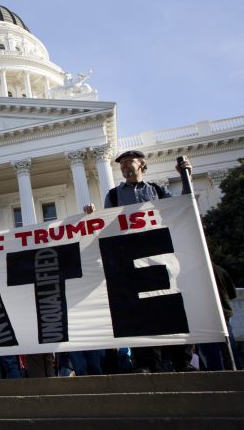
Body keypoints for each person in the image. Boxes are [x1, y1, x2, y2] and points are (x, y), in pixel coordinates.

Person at [84, 150, 195, 373]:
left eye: (129, 162)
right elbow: (108, 226)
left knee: (171, 309)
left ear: (141, 164)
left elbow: (181, 208)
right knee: (139, 313)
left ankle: (182, 362)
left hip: (160, 254)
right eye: (122, 164)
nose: (124, 167)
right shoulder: (114, 196)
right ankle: (145, 363)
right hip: (132, 259)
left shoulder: (156, 190)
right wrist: (91, 218)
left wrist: (187, 178)